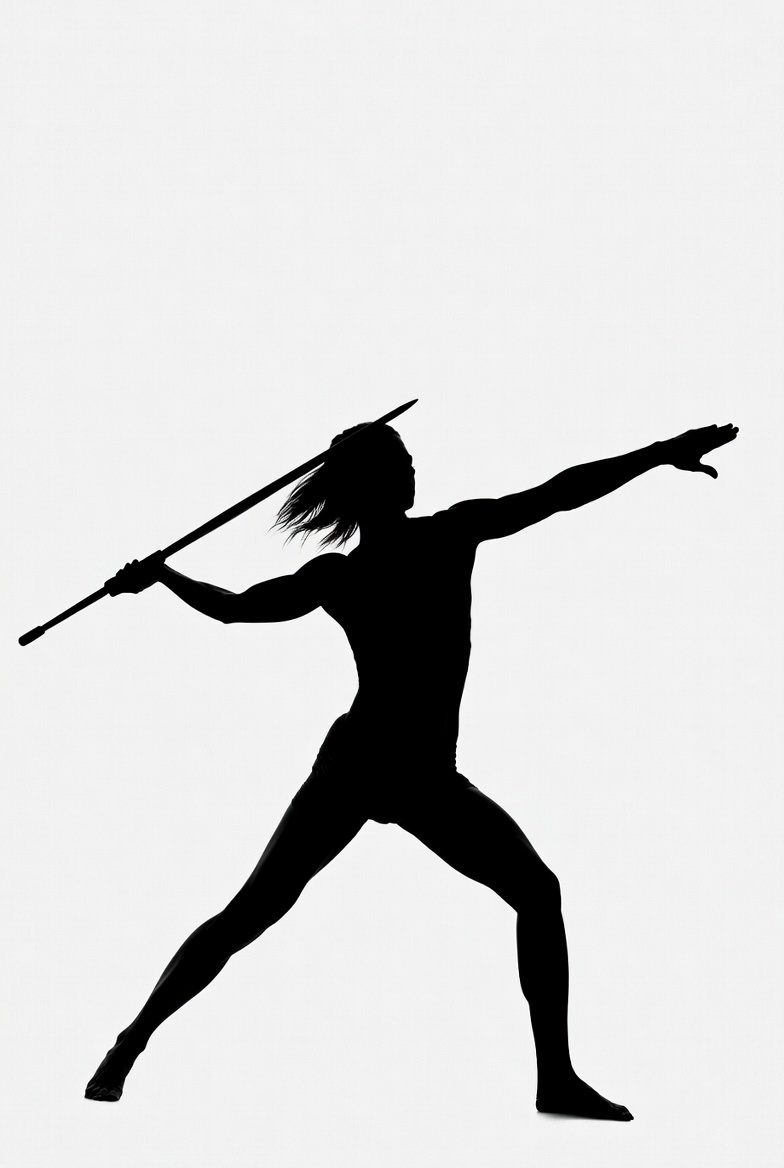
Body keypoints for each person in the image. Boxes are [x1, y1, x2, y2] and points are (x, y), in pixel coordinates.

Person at [84, 419, 738, 1118]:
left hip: (424, 775)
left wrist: (657, 454)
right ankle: (131, 1041)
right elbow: (238, 610)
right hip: (359, 765)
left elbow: (560, 492)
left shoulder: (440, 537)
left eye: (409, 458)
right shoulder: (359, 568)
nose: (412, 469)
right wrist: (165, 578)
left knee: (537, 892)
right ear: (373, 483)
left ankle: (556, 1078)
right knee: (254, 911)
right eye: (400, 461)